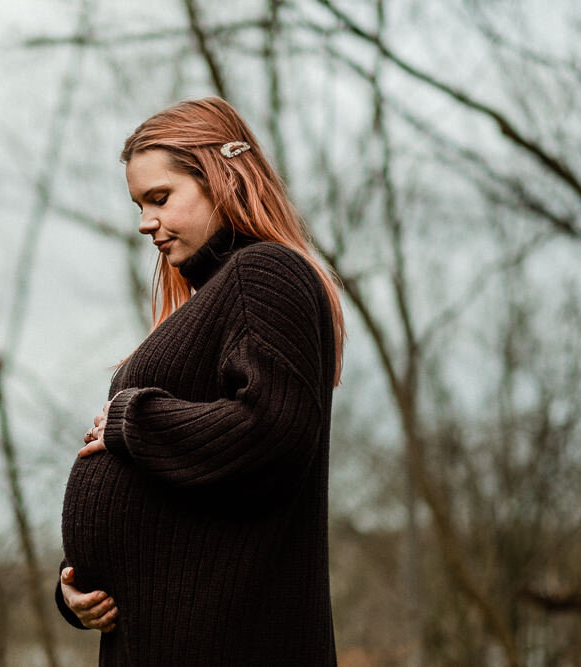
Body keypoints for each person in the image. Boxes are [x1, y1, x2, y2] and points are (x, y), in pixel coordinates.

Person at [55, 96, 346, 666]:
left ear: (222, 177)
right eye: (139, 205)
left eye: (160, 198)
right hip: (158, 636)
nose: (145, 223)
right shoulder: (218, 296)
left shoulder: (265, 272)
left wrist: (130, 420)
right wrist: (76, 591)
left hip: (227, 642)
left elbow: (274, 428)